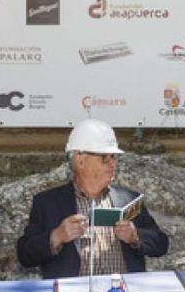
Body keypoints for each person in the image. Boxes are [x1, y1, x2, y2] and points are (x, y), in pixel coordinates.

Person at [17, 119, 169, 279]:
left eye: (113, 157)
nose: (112, 165)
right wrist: (57, 236)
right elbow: (25, 256)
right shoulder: (48, 203)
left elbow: (161, 244)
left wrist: (135, 236)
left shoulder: (128, 199)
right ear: (80, 160)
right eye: (105, 158)